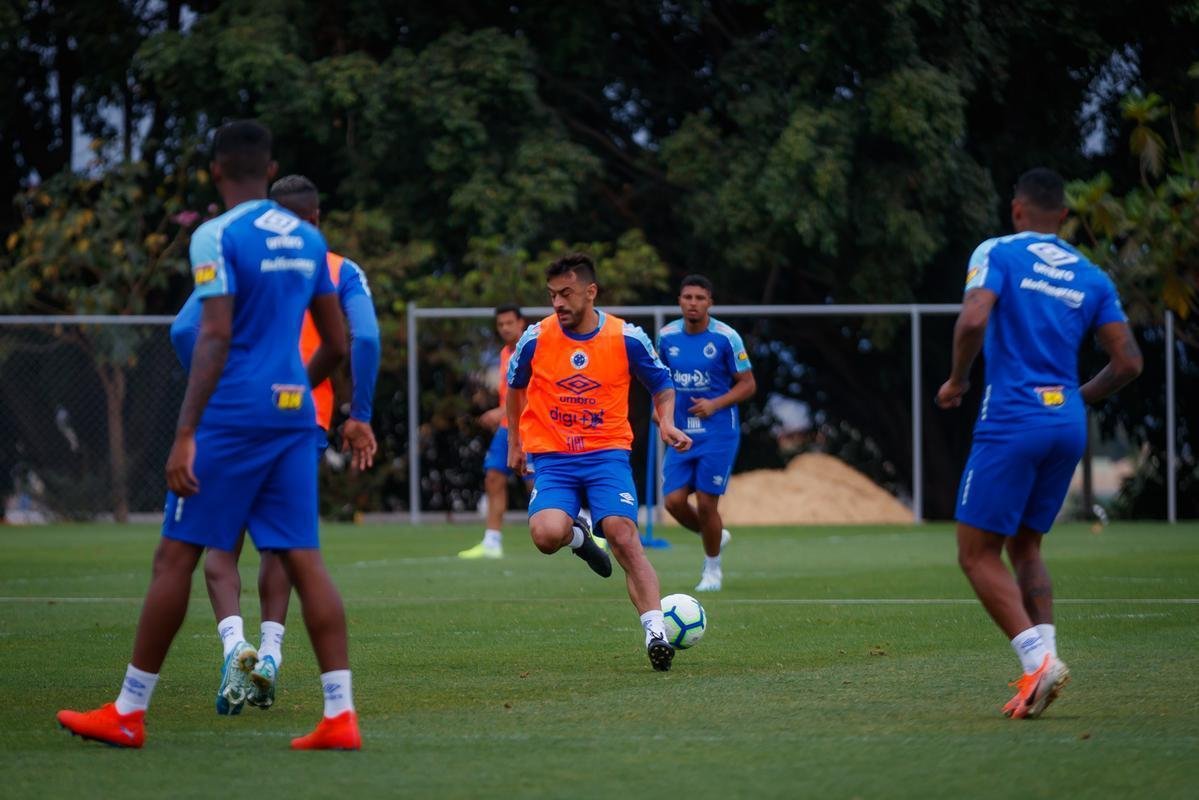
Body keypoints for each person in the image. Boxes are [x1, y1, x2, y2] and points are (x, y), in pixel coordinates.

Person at [56, 120, 361, 749]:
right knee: (303, 557)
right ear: (269, 168)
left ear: (217, 171)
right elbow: (338, 343)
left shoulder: (214, 236)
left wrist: (186, 431)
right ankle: (340, 714)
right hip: (292, 412)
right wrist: (297, 390)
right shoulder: (308, 237)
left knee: (177, 555)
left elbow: (213, 333)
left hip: (231, 414)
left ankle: (128, 711)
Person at [936, 167, 1142, 720]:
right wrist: (1078, 396)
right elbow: (1128, 362)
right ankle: (1046, 660)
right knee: (1025, 547)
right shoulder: (1091, 275)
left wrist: (957, 380)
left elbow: (974, 317)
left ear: (1017, 209)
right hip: (1066, 421)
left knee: (975, 555)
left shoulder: (998, 251)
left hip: (1012, 417)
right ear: (1065, 217)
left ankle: (1036, 661)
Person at [170, 174, 380, 715]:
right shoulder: (333, 264)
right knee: (287, 546)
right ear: (316, 217)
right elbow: (364, 339)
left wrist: (214, 391)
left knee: (217, 542)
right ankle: (271, 654)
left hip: (235, 411)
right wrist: (355, 413)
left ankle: (230, 643)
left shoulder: (237, 253)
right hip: (300, 419)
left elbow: (184, 331)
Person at [506, 252, 692, 671]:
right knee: (544, 535)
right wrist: (515, 443)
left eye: (566, 293)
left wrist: (667, 423)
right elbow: (514, 387)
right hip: (553, 458)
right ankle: (578, 538)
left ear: (591, 292)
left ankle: (655, 634)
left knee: (624, 535)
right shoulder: (535, 337)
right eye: (552, 295)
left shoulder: (627, 338)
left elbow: (661, 385)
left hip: (606, 454)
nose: (557, 303)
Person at [657, 275, 756, 592]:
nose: (693, 303)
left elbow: (748, 384)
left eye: (700, 298)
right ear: (679, 301)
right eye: (687, 297)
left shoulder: (727, 338)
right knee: (672, 502)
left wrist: (715, 403)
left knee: (706, 503)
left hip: (717, 432)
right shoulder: (667, 336)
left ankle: (712, 570)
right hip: (681, 431)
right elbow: (659, 382)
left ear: (710, 302)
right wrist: (662, 418)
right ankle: (714, 535)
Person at [459, 304, 530, 559]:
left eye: (509, 323)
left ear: (521, 323)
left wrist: (498, 412)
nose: (505, 328)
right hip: (507, 429)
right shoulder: (503, 353)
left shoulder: (530, 351)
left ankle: (585, 527)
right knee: (493, 477)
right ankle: (492, 541)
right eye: (500, 324)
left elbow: (532, 395)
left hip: (530, 428)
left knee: (539, 485)